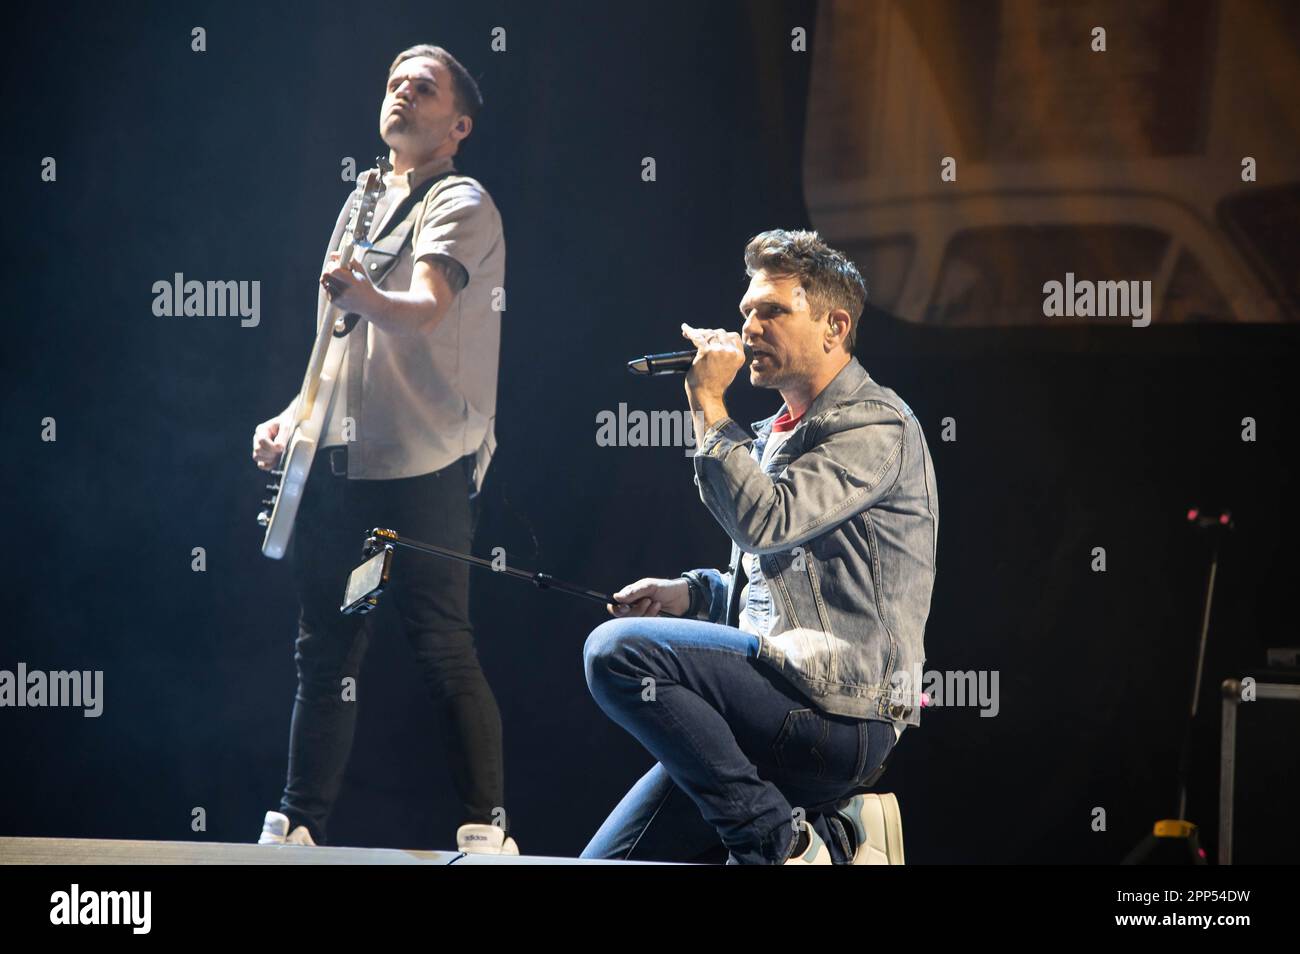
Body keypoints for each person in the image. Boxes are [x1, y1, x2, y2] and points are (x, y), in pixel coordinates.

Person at [582, 229, 938, 864]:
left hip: (840, 716)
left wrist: (708, 405)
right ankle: (836, 837)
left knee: (616, 653)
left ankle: (783, 845)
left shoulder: (875, 425)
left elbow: (765, 524)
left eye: (772, 310)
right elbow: (777, 588)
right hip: (778, 702)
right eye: (746, 310)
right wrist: (691, 593)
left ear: (834, 326)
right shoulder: (777, 433)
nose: (749, 326)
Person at [250, 44, 513, 854]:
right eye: (394, 81)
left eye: (421, 86)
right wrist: (295, 413)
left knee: (442, 647)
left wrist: (365, 294)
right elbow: (337, 335)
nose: (400, 92)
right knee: (326, 649)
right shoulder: (364, 195)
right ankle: (296, 826)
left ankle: (485, 830)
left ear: (457, 125)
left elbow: (427, 306)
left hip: (424, 469)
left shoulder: (462, 198)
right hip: (343, 467)